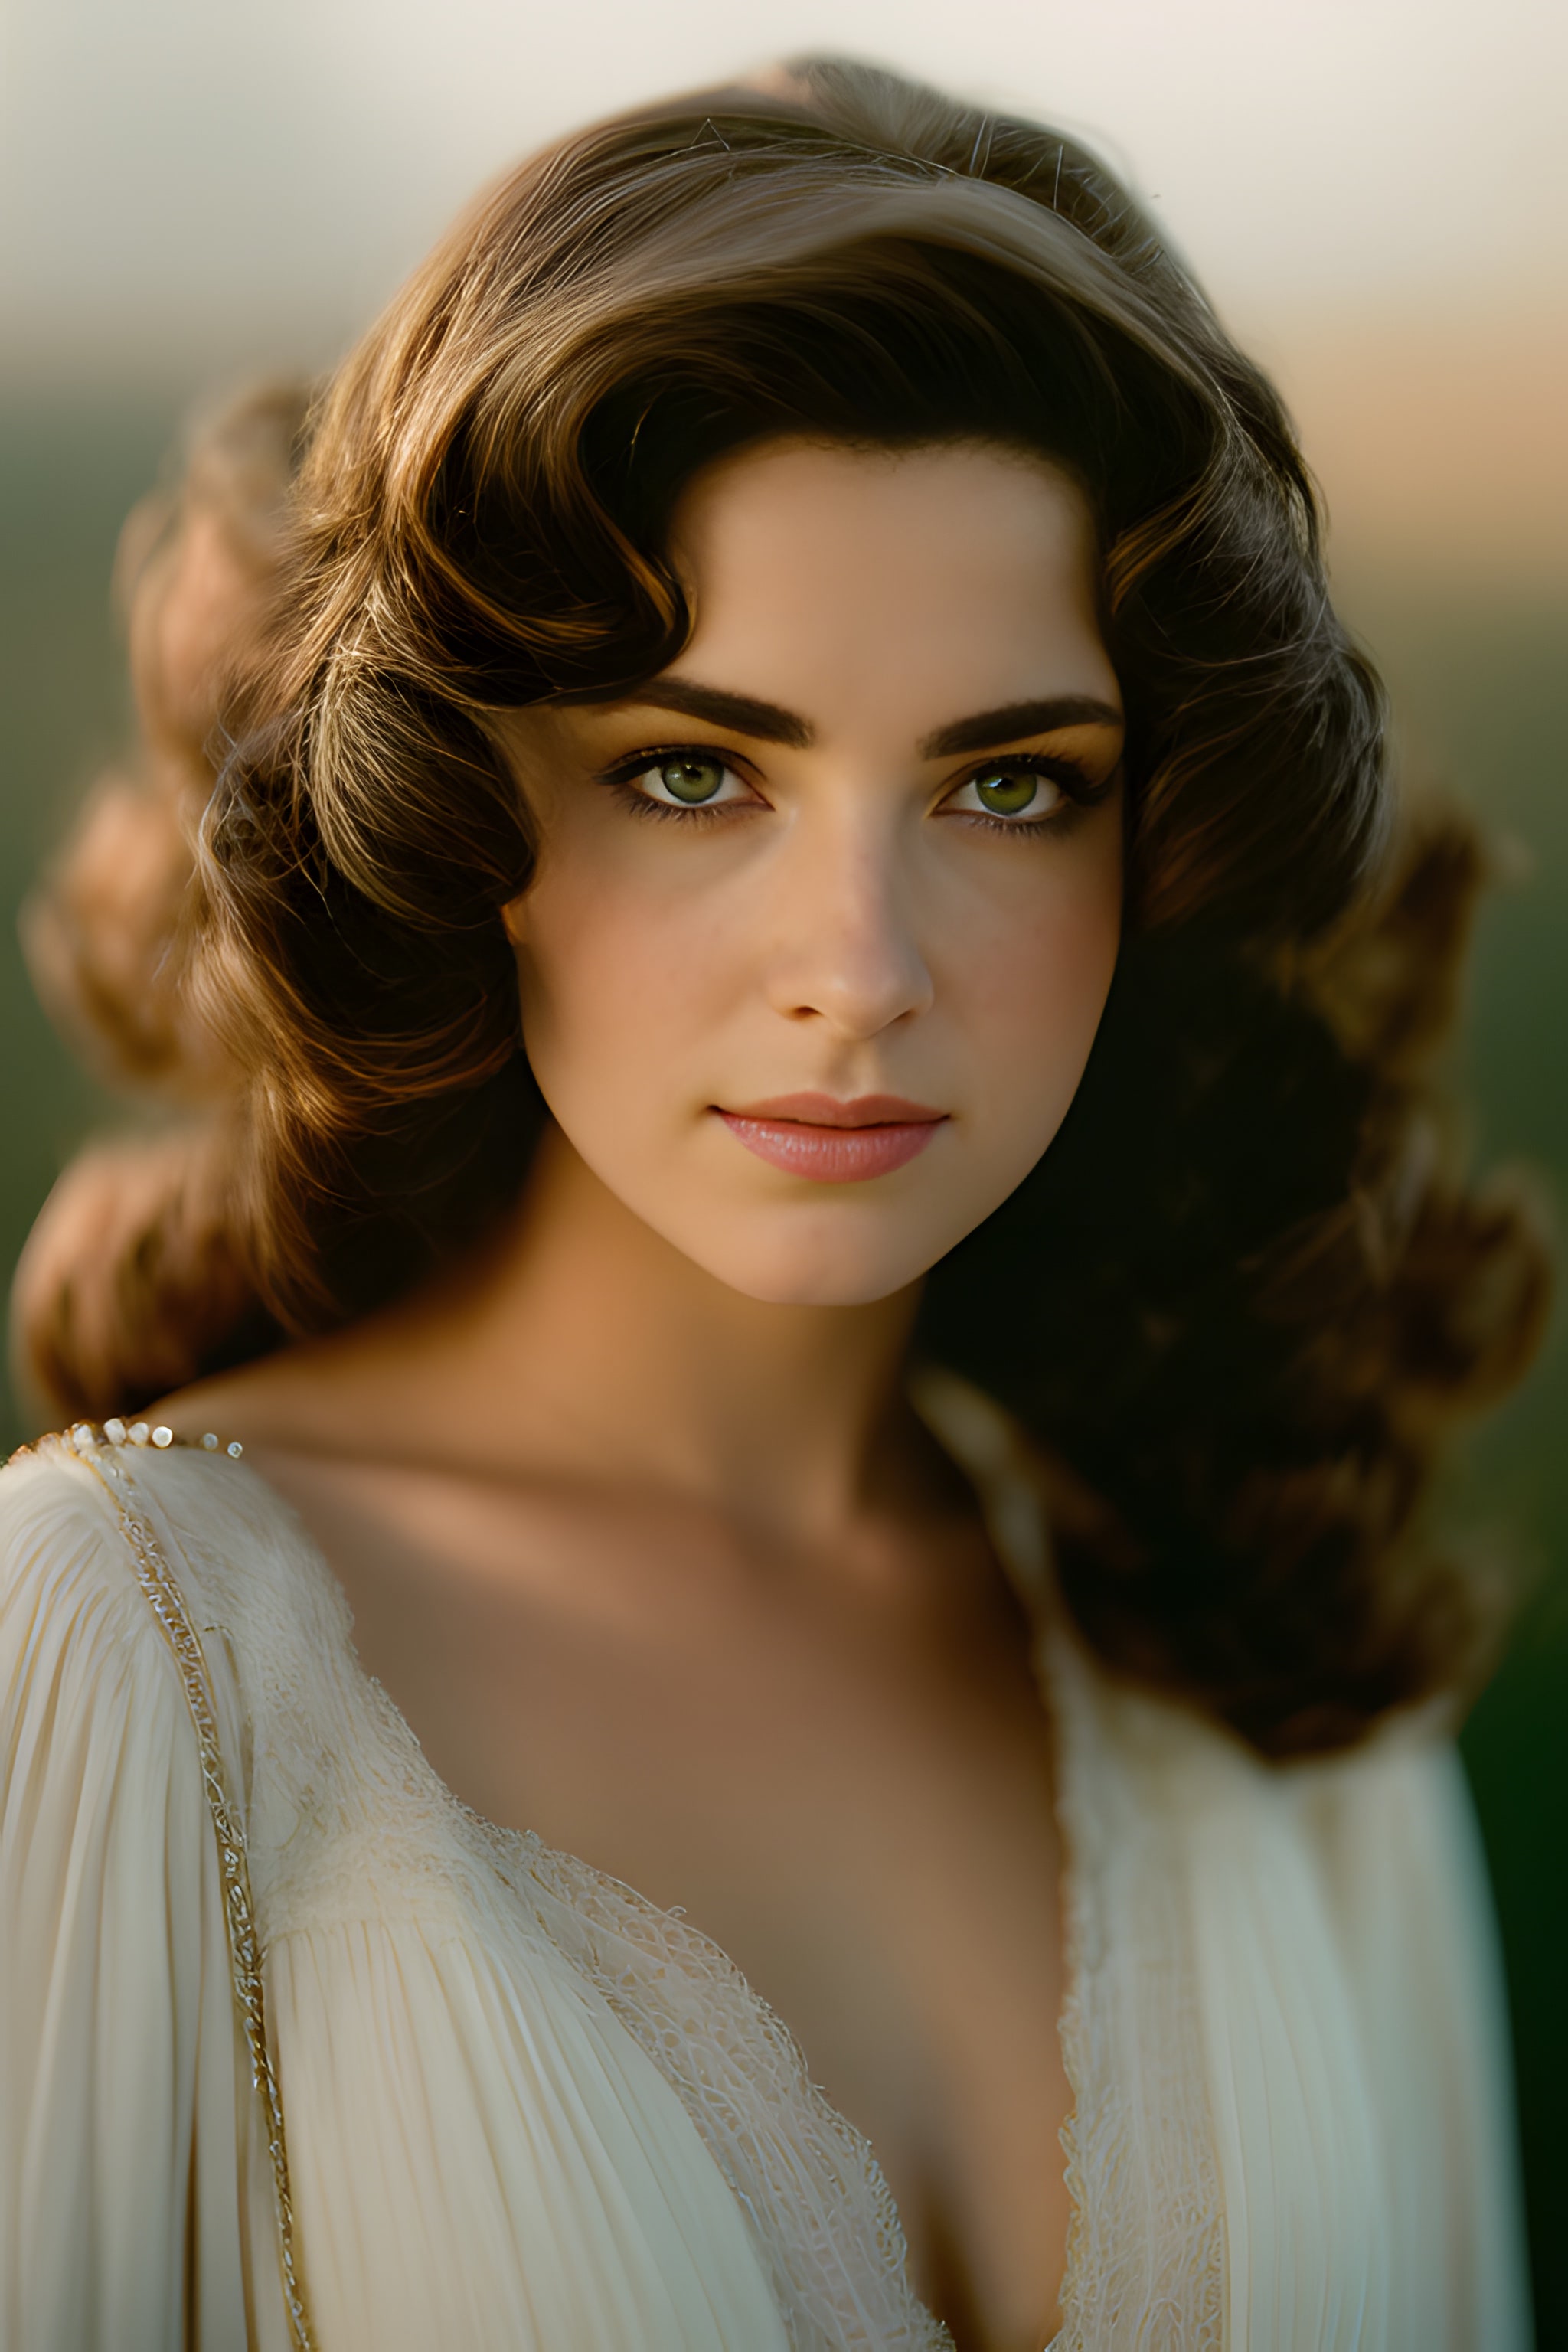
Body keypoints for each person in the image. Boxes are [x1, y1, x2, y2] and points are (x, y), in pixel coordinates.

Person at [0, 57, 1550, 2352]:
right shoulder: (113, 1657)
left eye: (1013, 784)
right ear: (462, 826)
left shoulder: (1267, 1666)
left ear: (1167, 852)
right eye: (694, 771)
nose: (865, 968)